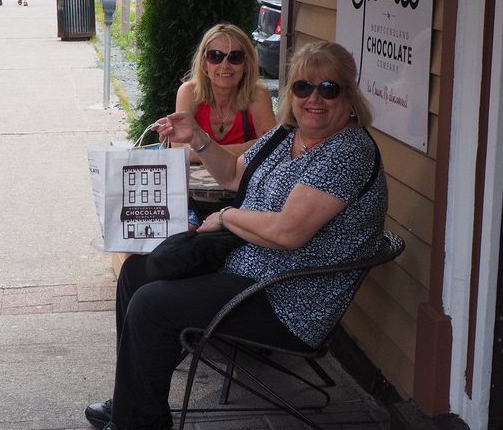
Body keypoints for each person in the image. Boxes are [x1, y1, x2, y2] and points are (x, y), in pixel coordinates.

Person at [84, 41, 388, 430]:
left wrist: (227, 216)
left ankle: (138, 422)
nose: (314, 98)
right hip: (248, 268)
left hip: (288, 299)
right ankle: (133, 397)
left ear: (349, 95)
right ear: (290, 92)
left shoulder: (347, 152)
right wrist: (198, 138)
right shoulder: (286, 136)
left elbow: (287, 233)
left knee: (152, 304)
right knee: (136, 273)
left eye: (328, 88)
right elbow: (231, 174)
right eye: (302, 87)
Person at [176, 23, 275, 227]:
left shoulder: (257, 95)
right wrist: (245, 149)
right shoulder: (190, 92)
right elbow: (179, 152)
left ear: (246, 63)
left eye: (235, 57)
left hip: (242, 199)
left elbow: (270, 148)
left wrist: (203, 149)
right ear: (204, 63)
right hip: (193, 199)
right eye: (215, 56)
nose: (225, 65)